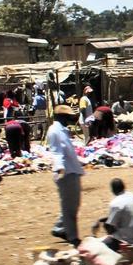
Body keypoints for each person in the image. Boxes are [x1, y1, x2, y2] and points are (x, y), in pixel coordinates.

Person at [48, 105, 85, 245]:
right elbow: (56, 151)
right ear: (61, 117)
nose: (70, 120)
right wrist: (60, 169)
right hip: (66, 172)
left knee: (73, 204)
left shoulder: (62, 130)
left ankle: (60, 227)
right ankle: (72, 236)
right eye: (67, 117)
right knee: (70, 207)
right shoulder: (55, 131)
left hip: (71, 170)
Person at [96, 176, 133, 252]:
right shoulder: (131, 195)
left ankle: (116, 249)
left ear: (112, 190)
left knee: (103, 242)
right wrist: (100, 219)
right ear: (124, 187)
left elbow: (110, 225)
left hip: (128, 239)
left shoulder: (115, 203)